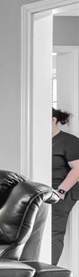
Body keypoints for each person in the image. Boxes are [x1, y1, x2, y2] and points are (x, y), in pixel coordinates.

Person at [51, 108, 79, 264]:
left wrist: (60, 191)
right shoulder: (41, 142)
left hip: (63, 192)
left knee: (54, 233)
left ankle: (48, 274)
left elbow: (78, 169)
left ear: (54, 120)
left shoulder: (69, 141)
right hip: (45, 192)